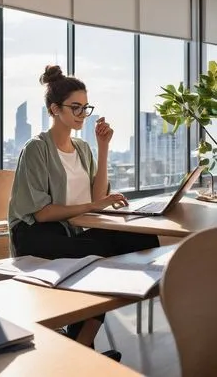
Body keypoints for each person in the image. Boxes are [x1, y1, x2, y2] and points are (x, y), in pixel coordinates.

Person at [9, 65, 159, 359]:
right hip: (37, 233)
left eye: (85, 107)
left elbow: (97, 197)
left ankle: (80, 343)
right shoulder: (37, 149)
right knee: (97, 255)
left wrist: (103, 147)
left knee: (143, 242)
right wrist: (93, 206)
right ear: (54, 109)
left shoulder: (82, 148)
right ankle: (82, 348)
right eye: (74, 107)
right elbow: (41, 213)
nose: (82, 114)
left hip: (74, 229)